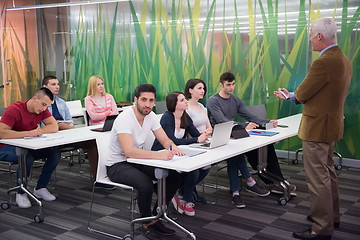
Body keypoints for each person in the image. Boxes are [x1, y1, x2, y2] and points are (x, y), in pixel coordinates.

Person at [274, 18, 351, 240]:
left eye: (310, 35)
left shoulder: (323, 62)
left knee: (317, 179)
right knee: (328, 173)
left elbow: (302, 93)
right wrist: (293, 95)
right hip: (331, 124)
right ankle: (331, 216)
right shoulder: (343, 60)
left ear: (319, 36)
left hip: (317, 127)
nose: (309, 40)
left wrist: (291, 95)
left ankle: (321, 227)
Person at [106, 84, 184, 240]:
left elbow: (164, 139)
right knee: (146, 184)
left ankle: (155, 217)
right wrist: (160, 156)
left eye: (151, 100)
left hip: (136, 161)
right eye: (143, 100)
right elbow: (128, 151)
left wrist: (174, 148)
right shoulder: (125, 118)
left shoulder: (151, 116)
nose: (147, 104)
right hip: (117, 165)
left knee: (174, 176)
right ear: (135, 100)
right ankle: (146, 223)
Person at [207, 72, 295, 209]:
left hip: (235, 133)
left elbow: (249, 115)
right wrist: (243, 125)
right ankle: (239, 190)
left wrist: (267, 122)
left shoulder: (235, 100)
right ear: (221, 85)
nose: (231, 87)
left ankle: (275, 180)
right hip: (219, 135)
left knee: (265, 146)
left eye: (233, 84)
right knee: (236, 156)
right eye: (228, 85)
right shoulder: (213, 101)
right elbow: (222, 121)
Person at [41, 75, 113, 190]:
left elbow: (71, 124)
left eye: (58, 84)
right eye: (53, 84)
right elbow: (46, 127)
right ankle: (41, 186)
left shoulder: (61, 102)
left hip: (67, 135)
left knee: (92, 143)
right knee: (54, 153)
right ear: (44, 87)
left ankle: (98, 179)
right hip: (50, 139)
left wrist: (57, 124)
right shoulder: (41, 104)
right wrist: (59, 125)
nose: (57, 87)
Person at [0, 88, 61, 208]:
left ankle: (40, 188)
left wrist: (37, 131)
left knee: (55, 153)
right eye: (43, 104)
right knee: (26, 157)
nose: (44, 109)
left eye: (47, 106)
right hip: (5, 146)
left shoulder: (41, 110)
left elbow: (54, 126)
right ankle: (21, 193)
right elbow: (2, 133)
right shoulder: (15, 109)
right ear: (35, 99)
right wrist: (28, 133)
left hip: (27, 144)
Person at [151, 91, 209, 216]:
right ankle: (186, 199)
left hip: (179, 154)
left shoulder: (185, 116)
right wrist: (196, 139)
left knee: (205, 167)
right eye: (182, 100)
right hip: (162, 154)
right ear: (175, 104)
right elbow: (172, 141)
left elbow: (195, 134)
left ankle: (181, 193)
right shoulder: (167, 117)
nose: (186, 101)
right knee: (194, 171)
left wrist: (204, 135)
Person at [184, 78, 212, 203]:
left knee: (207, 168)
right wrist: (199, 136)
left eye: (203, 88)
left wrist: (206, 133)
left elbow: (209, 127)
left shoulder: (201, 106)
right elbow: (187, 129)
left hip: (205, 141)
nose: (203, 91)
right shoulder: (186, 108)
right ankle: (187, 191)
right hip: (192, 143)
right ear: (190, 90)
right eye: (199, 88)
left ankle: (186, 189)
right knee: (195, 171)